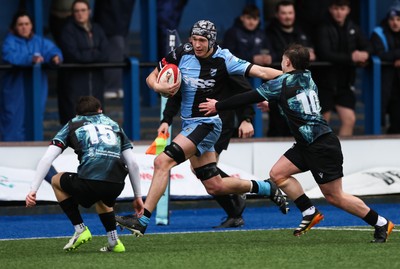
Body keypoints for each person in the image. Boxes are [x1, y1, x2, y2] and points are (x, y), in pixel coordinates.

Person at [199, 44, 394, 243]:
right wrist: (273, 103)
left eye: (283, 60)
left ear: (288, 62)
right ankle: (309, 211)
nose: (282, 63)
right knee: (278, 174)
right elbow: (296, 101)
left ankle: (380, 223)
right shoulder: (307, 76)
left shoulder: (282, 82)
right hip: (308, 143)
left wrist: (218, 105)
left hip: (321, 146)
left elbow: (249, 96)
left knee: (335, 197)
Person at [115, 19, 288, 237]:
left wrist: (292, 76)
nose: (197, 45)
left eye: (202, 40)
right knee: (214, 185)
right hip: (191, 124)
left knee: (162, 162)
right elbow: (152, 76)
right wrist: (159, 86)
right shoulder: (181, 53)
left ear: (212, 41)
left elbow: (261, 72)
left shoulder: (224, 59)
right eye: (194, 39)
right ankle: (266, 188)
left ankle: (142, 220)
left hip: (207, 124)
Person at [25, 96, 144, 252]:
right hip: (116, 185)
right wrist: (138, 196)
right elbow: (133, 164)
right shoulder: (113, 125)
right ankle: (114, 241)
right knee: (102, 198)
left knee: (56, 179)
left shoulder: (73, 124)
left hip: (90, 183)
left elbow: (47, 158)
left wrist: (33, 190)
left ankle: (80, 229)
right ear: (100, 110)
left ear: (78, 114)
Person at [158, 75, 256, 228]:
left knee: (206, 172)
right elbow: (176, 95)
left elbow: (245, 90)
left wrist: (247, 118)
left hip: (221, 123)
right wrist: (166, 120)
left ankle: (237, 201)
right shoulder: (187, 63)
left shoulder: (222, 60)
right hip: (198, 125)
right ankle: (236, 198)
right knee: (202, 172)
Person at [0, 10, 63, 141]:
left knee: (35, 117)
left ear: (31, 25)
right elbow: (10, 56)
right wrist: (30, 58)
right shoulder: (9, 42)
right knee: (12, 119)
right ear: (15, 27)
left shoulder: (38, 41)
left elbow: (52, 50)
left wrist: (55, 57)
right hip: (15, 88)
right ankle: (11, 154)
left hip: (36, 87)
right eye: (20, 24)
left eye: (27, 24)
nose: (24, 27)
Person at [315, 0, 372, 136]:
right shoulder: (322, 27)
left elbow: (368, 45)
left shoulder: (353, 27)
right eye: (336, 8)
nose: (339, 12)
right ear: (330, 9)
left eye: (342, 9)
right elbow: (324, 53)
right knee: (322, 123)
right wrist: (351, 58)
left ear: (348, 10)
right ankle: (321, 155)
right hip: (324, 84)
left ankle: (339, 154)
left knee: (349, 119)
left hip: (344, 84)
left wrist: (365, 54)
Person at [265, 0, 316, 138]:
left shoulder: (302, 31)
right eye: (283, 13)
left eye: (290, 13)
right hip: (278, 84)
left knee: (300, 126)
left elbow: (312, 52)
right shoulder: (269, 32)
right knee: (278, 124)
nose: (287, 16)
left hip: (301, 87)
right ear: (277, 14)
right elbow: (267, 56)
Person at [58, 0, 109, 125]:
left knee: (97, 123)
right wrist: (94, 53)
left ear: (89, 12)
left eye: (83, 10)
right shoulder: (67, 31)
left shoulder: (97, 29)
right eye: (76, 11)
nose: (80, 13)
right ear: (72, 13)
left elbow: (105, 53)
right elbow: (74, 55)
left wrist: (86, 54)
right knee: (76, 124)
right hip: (75, 84)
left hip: (96, 84)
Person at [93, 0, 135, 99]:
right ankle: (115, 88)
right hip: (115, 24)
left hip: (114, 25)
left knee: (116, 49)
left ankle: (112, 88)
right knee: (118, 48)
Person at [370, 1, 400, 134]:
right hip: (383, 81)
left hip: (397, 84)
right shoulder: (378, 32)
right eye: (392, 19)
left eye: (399, 19)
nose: (395, 23)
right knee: (379, 117)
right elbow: (379, 54)